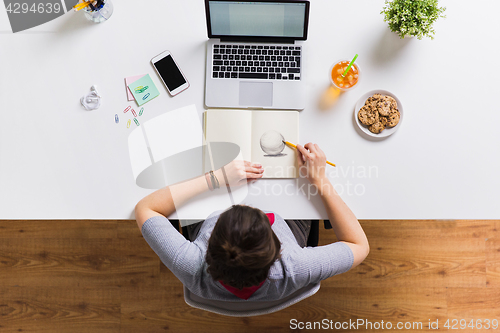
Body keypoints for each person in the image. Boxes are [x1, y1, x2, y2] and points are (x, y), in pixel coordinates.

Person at [135, 143, 369, 301]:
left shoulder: (190, 264)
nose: (251, 203)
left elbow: (146, 207)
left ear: (209, 243)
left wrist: (217, 177)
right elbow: (359, 246)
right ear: (279, 250)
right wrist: (319, 179)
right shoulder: (296, 266)